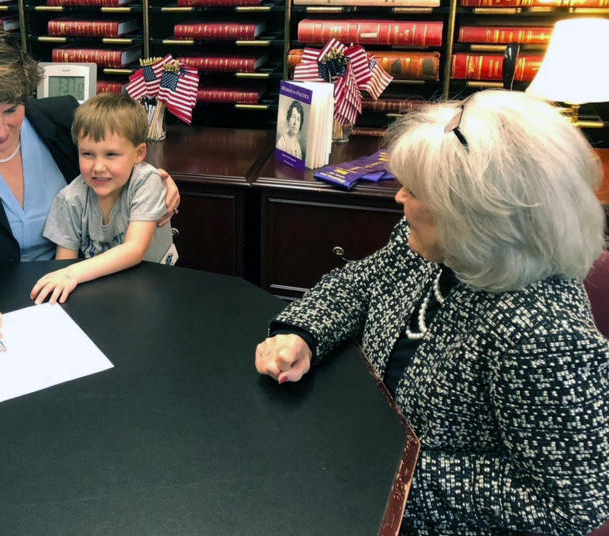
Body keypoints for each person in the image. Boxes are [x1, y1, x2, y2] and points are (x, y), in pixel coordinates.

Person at [255, 90, 609, 536]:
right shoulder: (434, 242)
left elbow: (569, 503)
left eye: (416, 191)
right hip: (349, 447)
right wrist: (301, 334)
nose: (399, 197)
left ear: (477, 217)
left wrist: (396, 474)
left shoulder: (543, 331)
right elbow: (363, 281)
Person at [0, 25, 179, 353]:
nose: (0, 130)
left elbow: (117, 158)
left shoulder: (62, 118)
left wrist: (155, 178)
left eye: (11, 109)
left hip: (83, 286)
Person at [30, 92, 177, 304]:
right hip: (101, 289)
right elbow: (63, 266)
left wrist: (72, 274)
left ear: (138, 153)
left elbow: (134, 250)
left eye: (111, 155)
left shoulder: (146, 182)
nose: (98, 167)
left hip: (156, 287)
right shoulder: (69, 199)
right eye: (88, 154)